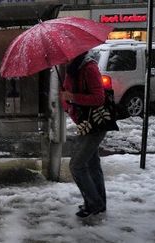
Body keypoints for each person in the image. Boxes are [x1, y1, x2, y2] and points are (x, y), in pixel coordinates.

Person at [60, 51, 107, 218]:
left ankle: (94, 203)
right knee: (92, 164)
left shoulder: (89, 68)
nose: (64, 56)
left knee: (77, 165)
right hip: (84, 123)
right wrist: (67, 101)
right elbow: (67, 97)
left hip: (95, 123)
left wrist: (72, 97)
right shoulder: (72, 69)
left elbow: (98, 98)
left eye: (66, 53)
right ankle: (99, 203)